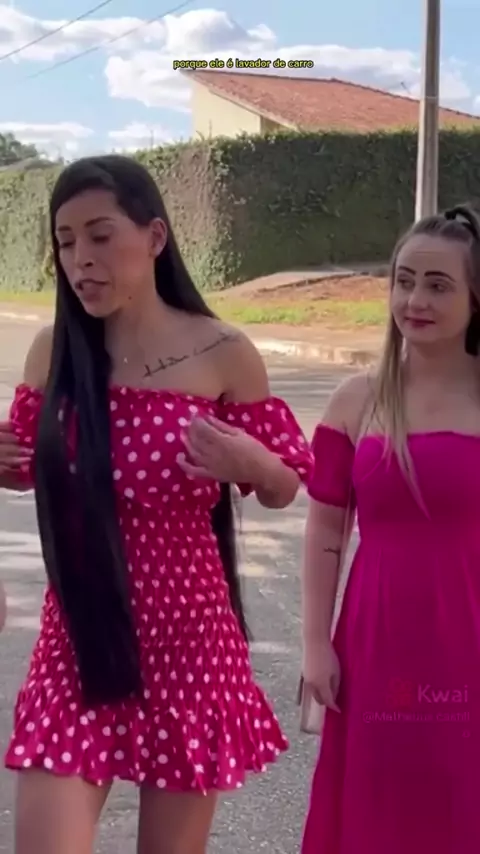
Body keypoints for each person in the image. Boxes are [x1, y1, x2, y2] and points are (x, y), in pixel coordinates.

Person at [0, 154, 313, 854]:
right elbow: (24, 469)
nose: (80, 259)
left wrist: (252, 463)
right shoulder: (54, 350)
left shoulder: (223, 351)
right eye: (65, 241)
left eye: (100, 235)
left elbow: (284, 483)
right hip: (80, 637)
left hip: (191, 643)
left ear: (155, 237)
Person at [301, 204, 480, 854]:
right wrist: (315, 645)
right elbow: (325, 529)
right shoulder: (357, 400)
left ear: (475, 298)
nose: (415, 300)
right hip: (374, 640)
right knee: (378, 799)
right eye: (404, 281)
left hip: (469, 635)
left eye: (438, 285)